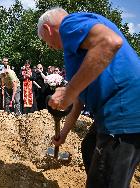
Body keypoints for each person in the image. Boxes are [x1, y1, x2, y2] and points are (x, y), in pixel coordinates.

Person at [38, 8, 140, 188]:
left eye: (46, 42)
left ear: (47, 29)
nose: (50, 47)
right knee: (90, 147)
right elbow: (79, 99)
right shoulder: (81, 46)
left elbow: (110, 42)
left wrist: (68, 91)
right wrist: (63, 133)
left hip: (122, 108)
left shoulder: (68, 25)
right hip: (119, 107)